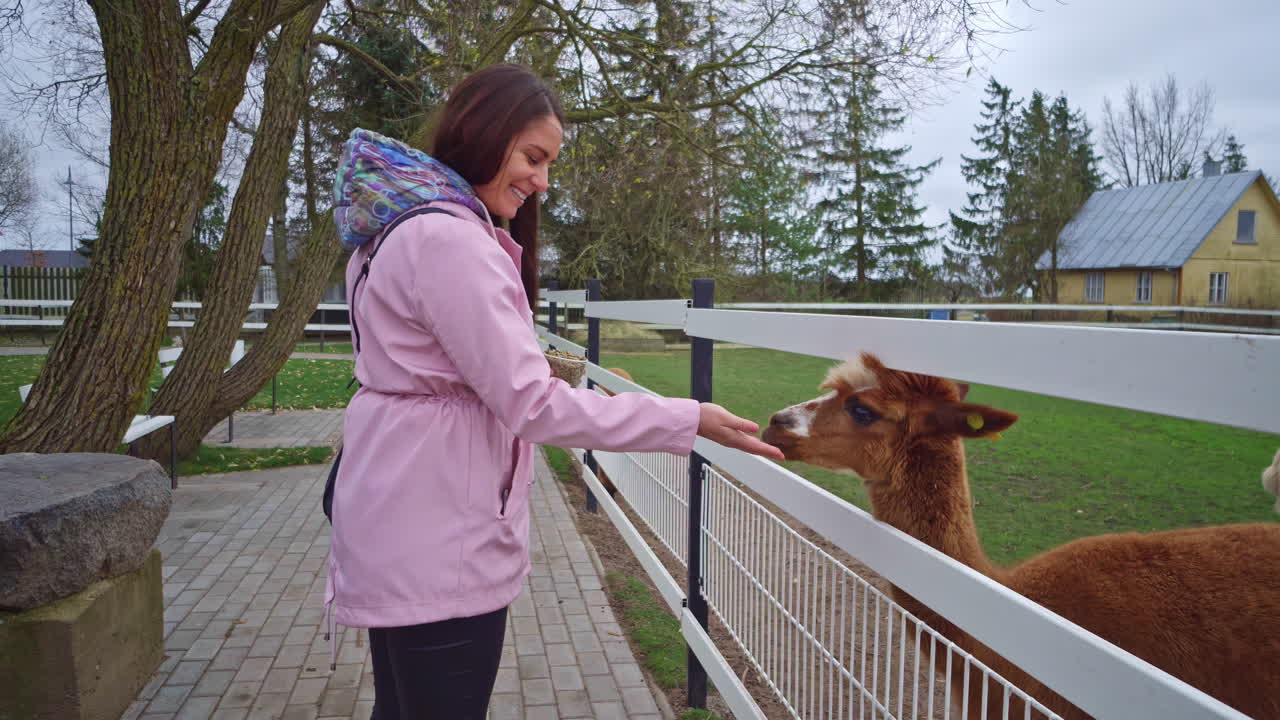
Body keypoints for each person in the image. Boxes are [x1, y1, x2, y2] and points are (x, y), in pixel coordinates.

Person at [327, 63, 784, 719]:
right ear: (483, 134)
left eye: (549, 163)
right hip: (440, 537)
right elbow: (531, 405)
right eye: (534, 157)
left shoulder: (394, 230)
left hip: (398, 518)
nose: (542, 181)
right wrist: (686, 420)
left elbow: (436, 363)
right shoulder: (450, 241)